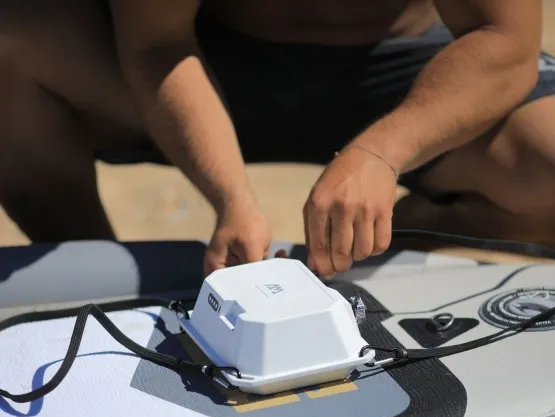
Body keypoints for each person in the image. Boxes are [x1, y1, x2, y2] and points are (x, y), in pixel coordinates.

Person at [1, 1, 554, 279]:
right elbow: (156, 46)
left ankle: (397, 238)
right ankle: (99, 279)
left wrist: (381, 153)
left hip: (402, 65)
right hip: (210, 61)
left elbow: (506, 43)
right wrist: (230, 197)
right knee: (13, 44)